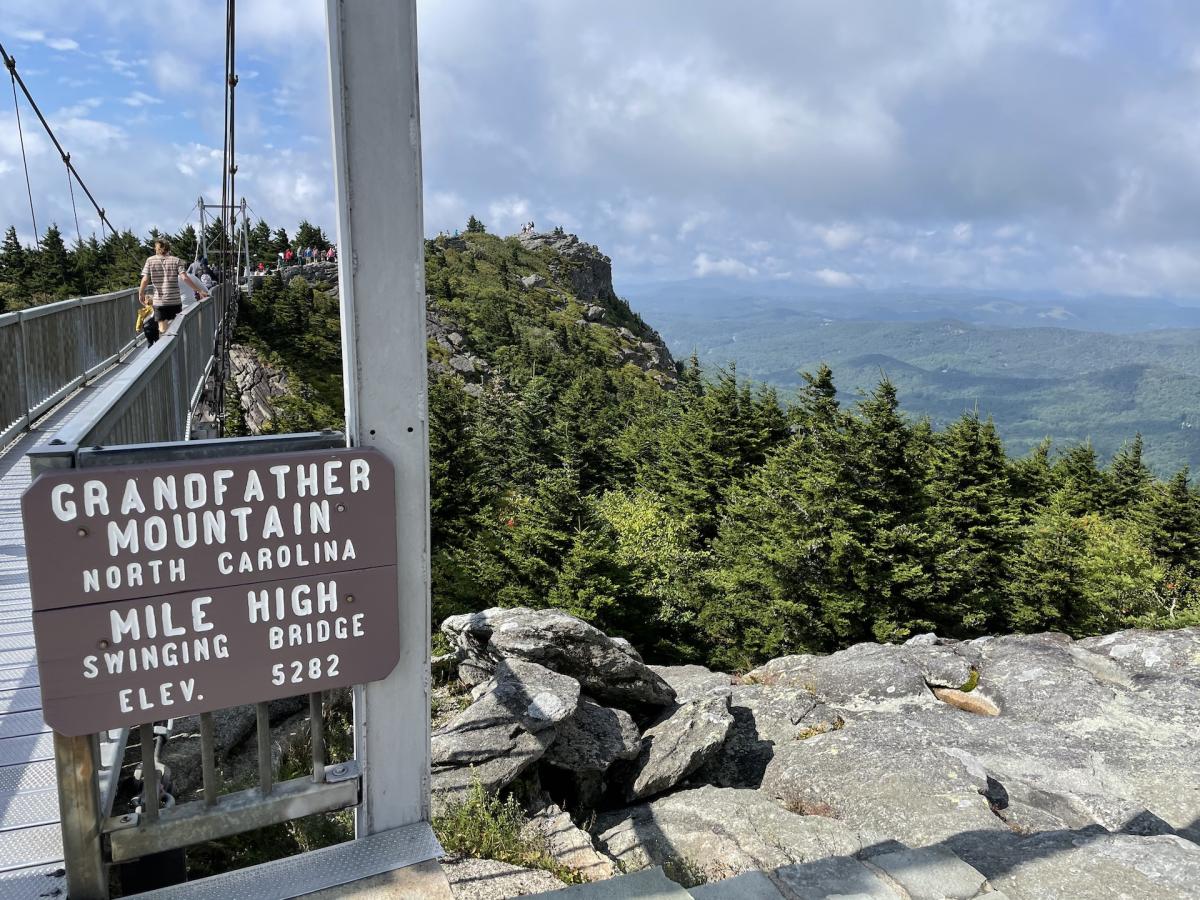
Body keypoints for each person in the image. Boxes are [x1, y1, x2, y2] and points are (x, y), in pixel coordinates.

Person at [140, 238, 207, 335]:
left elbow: (145, 279)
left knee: (163, 329)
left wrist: (141, 294)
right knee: (177, 327)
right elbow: (184, 278)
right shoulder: (176, 260)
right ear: (168, 249)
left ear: (156, 249)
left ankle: (165, 338)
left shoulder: (150, 260)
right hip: (175, 301)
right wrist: (199, 290)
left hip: (160, 301)